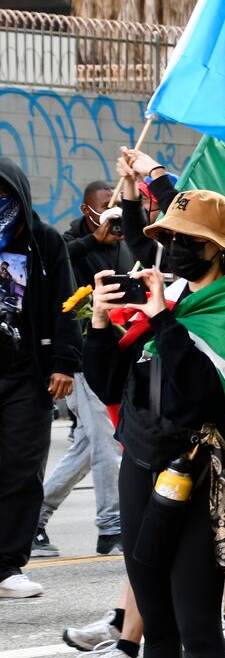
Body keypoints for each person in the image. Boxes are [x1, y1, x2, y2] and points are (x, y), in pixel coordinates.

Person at [85, 189, 225, 658]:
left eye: (186, 239)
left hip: (199, 474)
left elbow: (198, 393)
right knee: (157, 627)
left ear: (217, 247)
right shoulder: (170, 302)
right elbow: (107, 383)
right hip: (141, 466)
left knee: (197, 629)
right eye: (167, 237)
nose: (172, 247)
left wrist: (163, 320)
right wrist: (102, 323)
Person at [36, 181, 130, 558]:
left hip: (116, 354)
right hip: (81, 357)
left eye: (117, 205)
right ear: (86, 209)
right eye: (104, 205)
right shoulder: (68, 242)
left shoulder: (124, 246)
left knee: (88, 445)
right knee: (106, 438)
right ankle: (112, 526)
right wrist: (95, 240)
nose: (112, 212)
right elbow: (58, 269)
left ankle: (33, 516)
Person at [0, 159, 79, 599]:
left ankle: (7, 565)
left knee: (20, 469)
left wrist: (64, 362)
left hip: (27, 375)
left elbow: (66, 303)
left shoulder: (43, 240)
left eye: (3, 195)